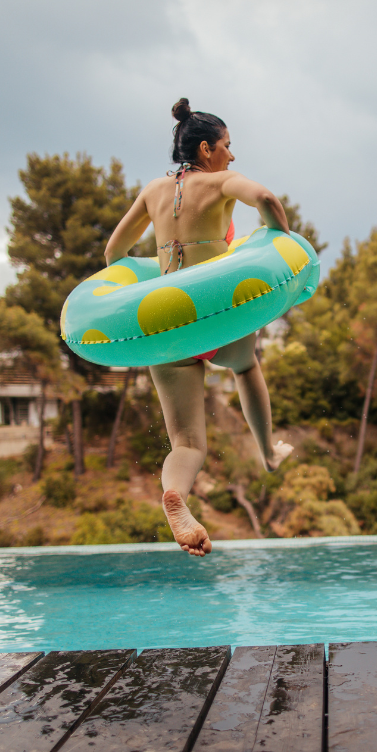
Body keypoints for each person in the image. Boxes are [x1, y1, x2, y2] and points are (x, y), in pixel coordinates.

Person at [104, 98, 294, 557]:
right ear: (207, 149)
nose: (232, 155)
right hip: (214, 313)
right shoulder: (221, 181)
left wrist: (155, 272)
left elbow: (113, 253)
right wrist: (282, 244)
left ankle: (177, 496)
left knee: (187, 442)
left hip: (166, 320)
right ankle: (268, 451)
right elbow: (267, 199)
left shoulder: (153, 190)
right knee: (245, 367)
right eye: (228, 146)